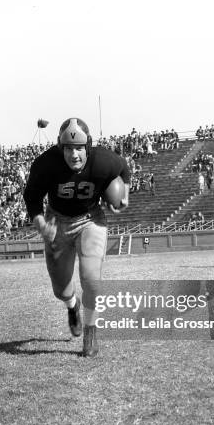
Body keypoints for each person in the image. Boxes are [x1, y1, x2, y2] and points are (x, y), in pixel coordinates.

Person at [23, 117, 130, 357]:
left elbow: (124, 169)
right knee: (61, 290)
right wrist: (41, 223)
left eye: (79, 148)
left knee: (91, 279)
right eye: (69, 148)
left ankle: (91, 331)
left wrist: (126, 196)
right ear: (61, 148)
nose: (74, 154)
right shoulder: (45, 164)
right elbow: (31, 198)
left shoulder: (103, 160)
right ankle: (73, 306)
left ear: (88, 147)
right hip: (57, 221)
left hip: (90, 219)